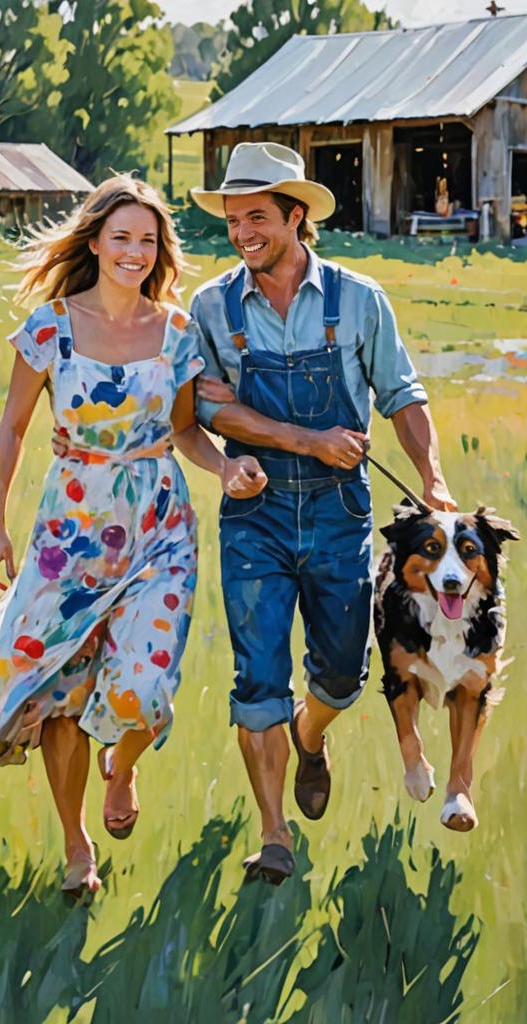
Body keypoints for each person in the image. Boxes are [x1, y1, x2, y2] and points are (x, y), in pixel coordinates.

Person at [0, 175, 266, 897]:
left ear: (160, 251)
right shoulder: (50, 328)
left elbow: (185, 430)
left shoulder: (176, 334)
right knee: (60, 691)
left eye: (148, 240)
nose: (135, 252)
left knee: (141, 688)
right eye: (122, 237)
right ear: (95, 241)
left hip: (158, 531)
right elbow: (11, 429)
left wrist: (226, 469)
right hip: (68, 537)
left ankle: (122, 767)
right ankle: (77, 847)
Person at [186, 142, 454, 884]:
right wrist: (295, 441)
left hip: (339, 513)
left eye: (258, 218)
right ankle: (273, 834)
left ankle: (311, 735)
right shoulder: (209, 307)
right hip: (255, 514)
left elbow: (401, 394)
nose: (242, 233)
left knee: (342, 672)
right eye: (234, 220)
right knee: (257, 677)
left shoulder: (360, 299)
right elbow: (210, 406)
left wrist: (431, 475)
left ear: (297, 216)